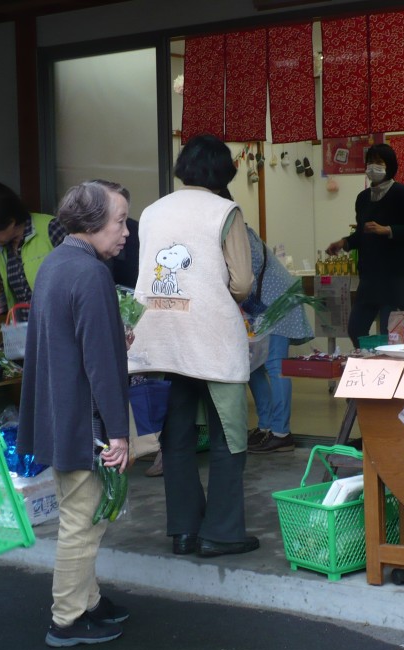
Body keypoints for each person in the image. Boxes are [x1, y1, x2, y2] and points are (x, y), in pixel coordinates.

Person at [127, 134, 257, 558]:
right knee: (229, 437)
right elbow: (240, 282)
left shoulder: (151, 211)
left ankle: (183, 531)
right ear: (224, 174)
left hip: (161, 337)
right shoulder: (225, 211)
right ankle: (220, 533)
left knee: (177, 438)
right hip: (212, 337)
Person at [16, 180, 132, 647]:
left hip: (60, 412)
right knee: (82, 523)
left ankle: (89, 600)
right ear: (92, 222)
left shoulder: (56, 263)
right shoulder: (91, 274)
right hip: (84, 421)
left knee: (81, 514)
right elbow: (100, 363)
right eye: (120, 221)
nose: (126, 231)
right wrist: (119, 434)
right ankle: (67, 617)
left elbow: (73, 340)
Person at [326, 143, 404, 348]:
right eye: (370, 162)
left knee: (391, 334)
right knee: (356, 328)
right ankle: (370, 364)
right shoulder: (363, 198)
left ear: (390, 166)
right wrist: (345, 242)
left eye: (378, 162)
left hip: (396, 279)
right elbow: (362, 234)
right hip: (369, 279)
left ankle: (388, 373)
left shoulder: (401, 193)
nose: (372, 167)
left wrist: (387, 230)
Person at [237, 205, 314, 454]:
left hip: (278, 302)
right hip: (261, 307)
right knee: (253, 367)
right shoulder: (235, 235)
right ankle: (266, 426)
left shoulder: (241, 237)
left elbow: (244, 275)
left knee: (274, 365)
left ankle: (281, 432)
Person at [0, 181, 67, 319]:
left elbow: (80, 280)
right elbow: (19, 292)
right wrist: (1, 303)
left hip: (58, 327)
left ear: (11, 221)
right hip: (26, 332)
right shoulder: (2, 248)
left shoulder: (52, 229)